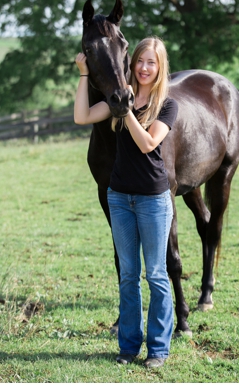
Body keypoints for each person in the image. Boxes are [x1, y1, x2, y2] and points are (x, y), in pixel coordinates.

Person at [73, 36, 178, 369]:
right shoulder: (119, 97)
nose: (144, 68)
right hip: (119, 197)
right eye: (140, 61)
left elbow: (148, 143)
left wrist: (126, 110)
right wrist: (84, 75)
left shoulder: (167, 105)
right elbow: (81, 116)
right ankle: (129, 346)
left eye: (152, 62)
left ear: (160, 68)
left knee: (157, 275)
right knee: (128, 275)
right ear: (131, 63)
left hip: (153, 200)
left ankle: (159, 348)